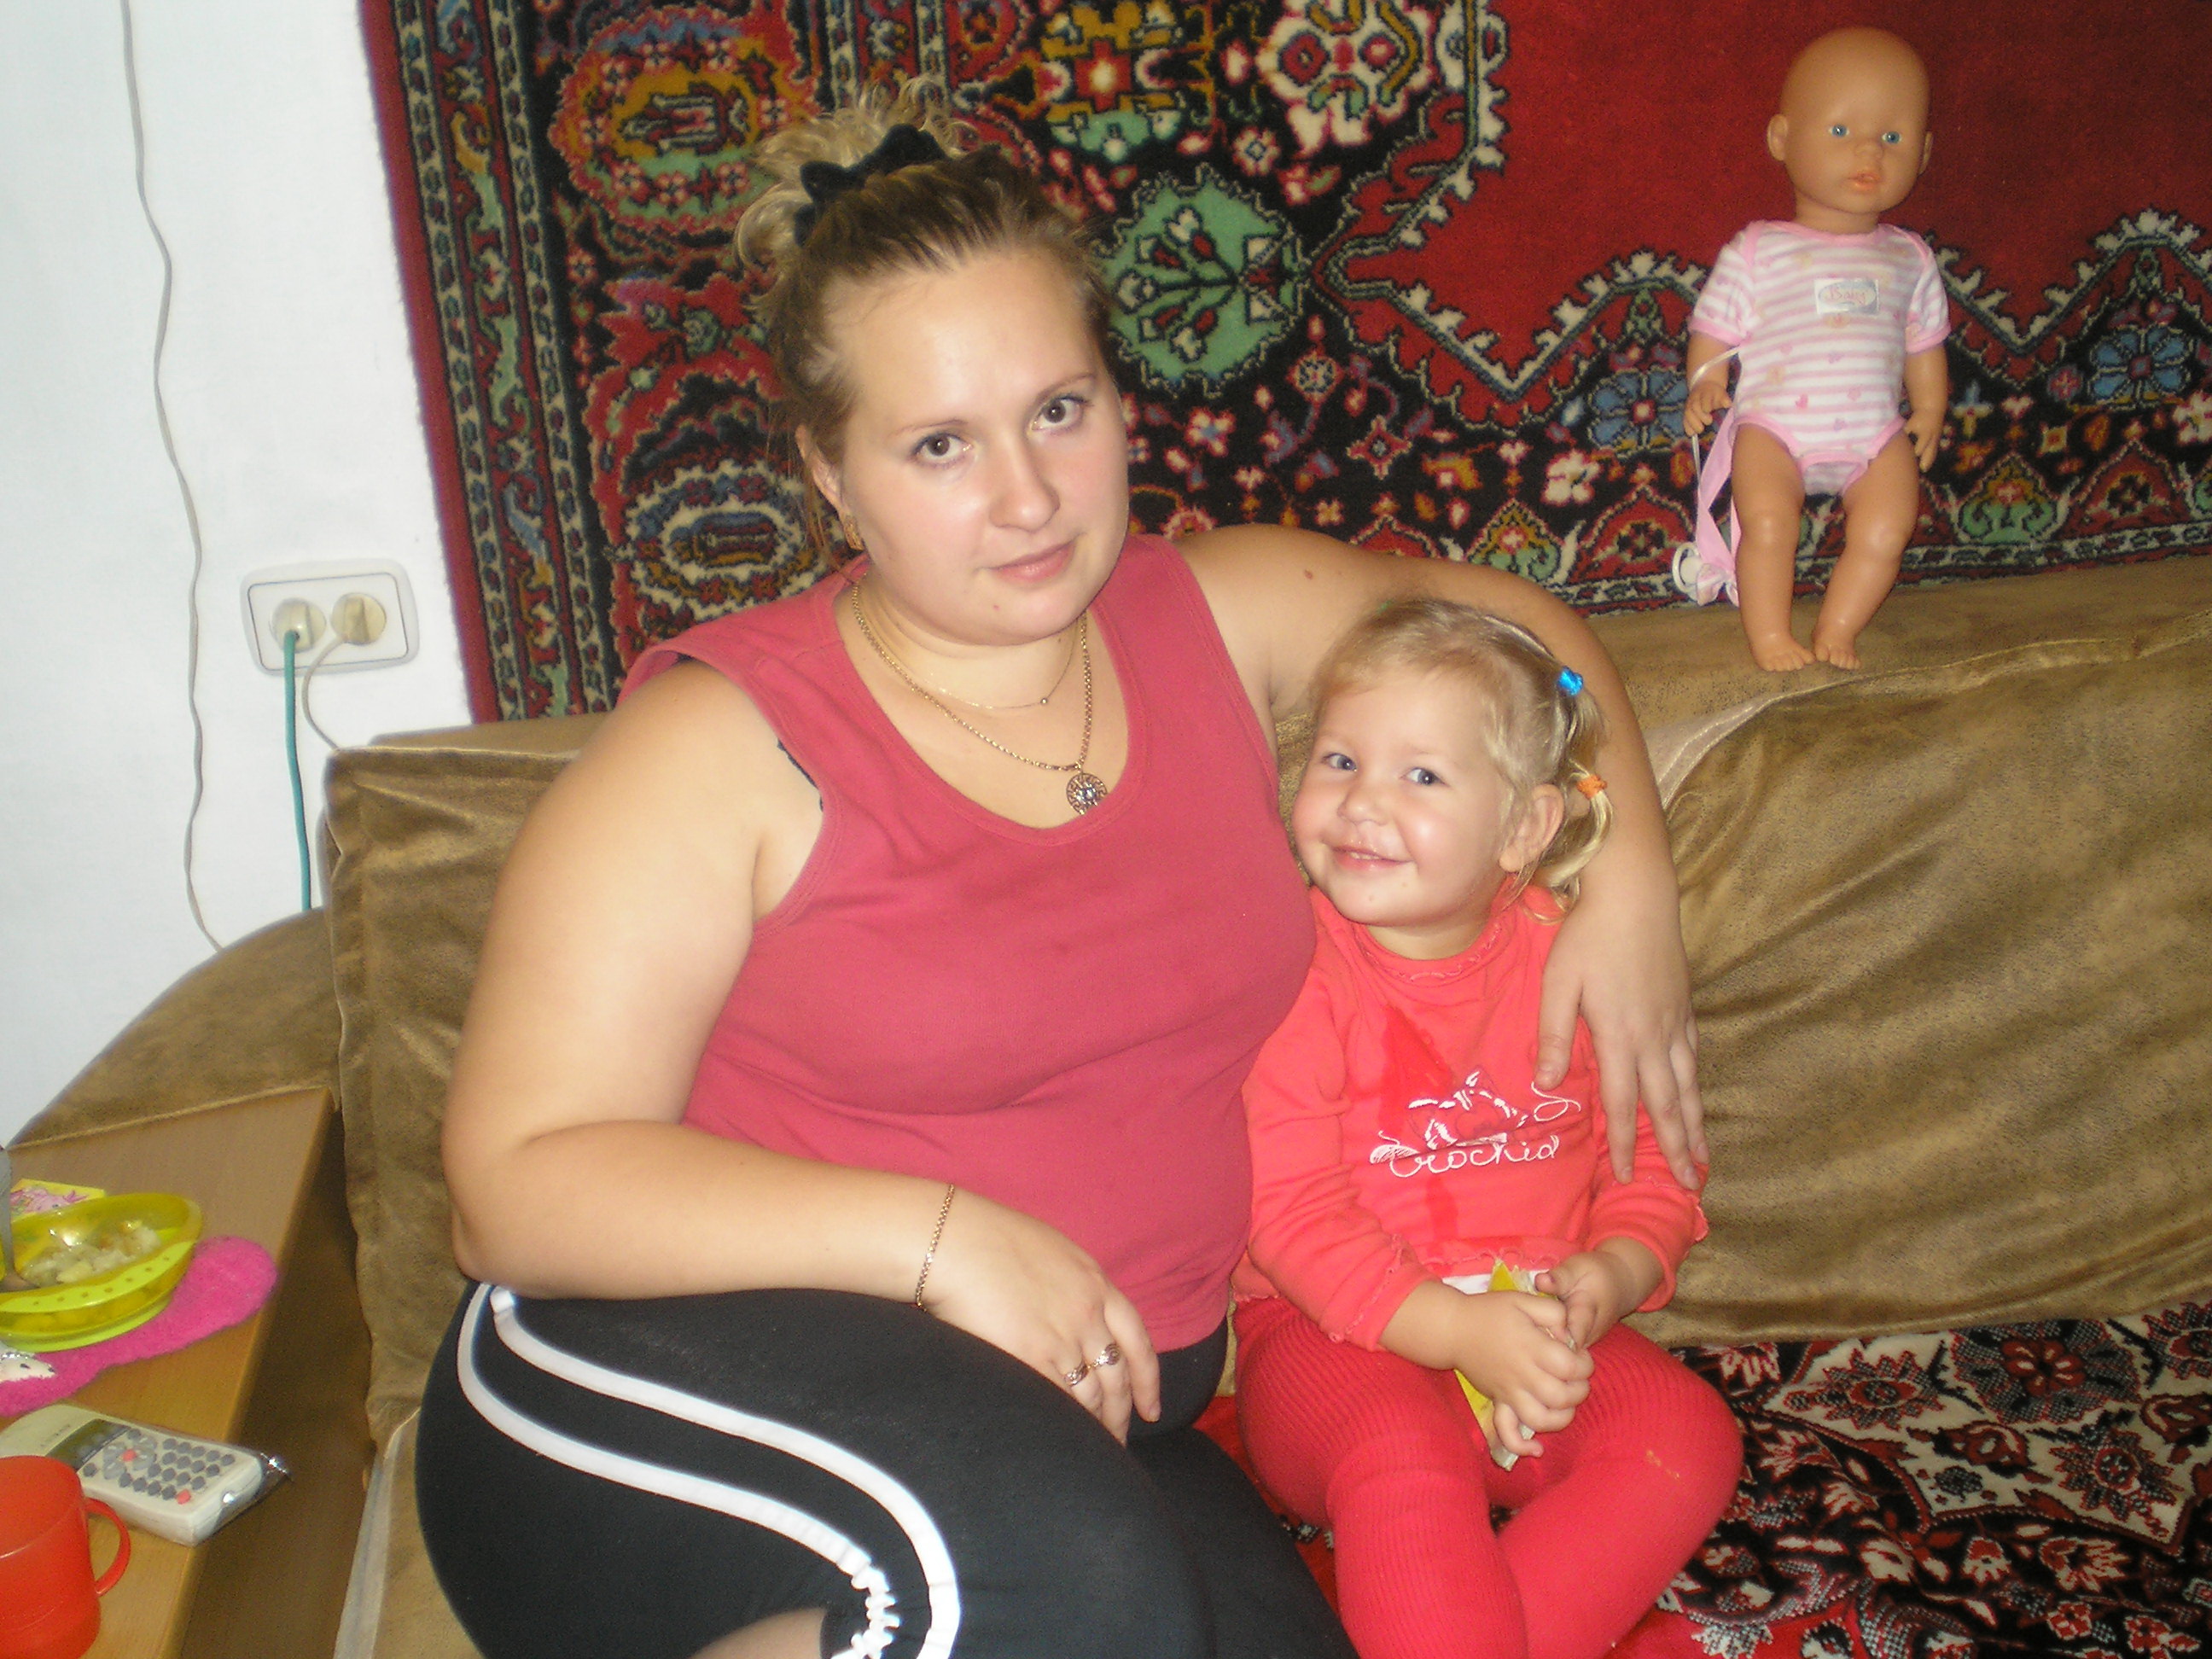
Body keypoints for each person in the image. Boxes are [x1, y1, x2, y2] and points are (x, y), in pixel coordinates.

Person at [416, 83, 1706, 1659]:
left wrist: (1628, 885)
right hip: (651, 1379)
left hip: (1098, 1422)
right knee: (1063, 1596)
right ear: (830, 473)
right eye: (938, 445)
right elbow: (511, 1185)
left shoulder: (1219, 616)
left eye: (1059, 411)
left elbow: (1520, 644)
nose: (1025, 498)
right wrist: (944, 1239)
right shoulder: (719, 742)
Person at [1231, 599, 1742, 1659]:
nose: (1363, 801)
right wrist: (1457, 1331)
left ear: (1524, 828)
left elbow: (1654, 1164)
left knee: (1686, 1435)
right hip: (1333, 1346)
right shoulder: (1292, 968)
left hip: (1536, 1331)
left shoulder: (1580, 961)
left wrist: (1611, 1275)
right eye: (1339, 760)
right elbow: (1288, 1215)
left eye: (1421, 776)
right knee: (1402, 1449)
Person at [1675, 27, 1951, 672]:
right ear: (1781, 139)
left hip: (1875, 434)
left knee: (1887, 529)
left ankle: (1839, 627)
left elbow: (1924, 342)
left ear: (1924, 153)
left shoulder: (1910, 257)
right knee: (1769, 523)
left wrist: (1930, 409)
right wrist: (1705, 383)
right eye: (1840, 130)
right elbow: (1713, 329)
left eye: (1893, 137)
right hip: (1774, 429)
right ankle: (1771, 634)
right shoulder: (1759, 249)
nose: (1869, 151)